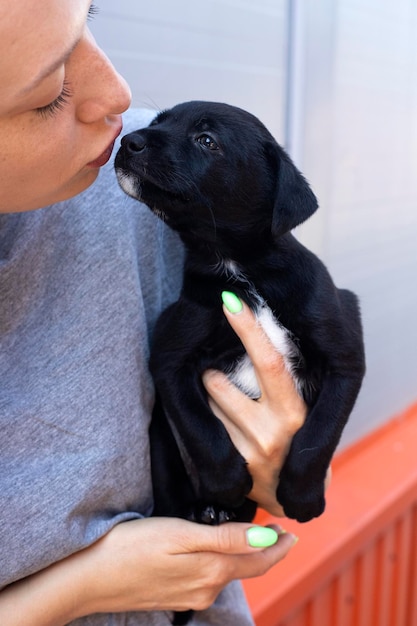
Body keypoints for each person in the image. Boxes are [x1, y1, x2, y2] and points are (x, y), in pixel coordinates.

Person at [0, 1, 324, 624]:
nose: (117, 94)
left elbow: (298, 346)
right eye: (47, 93)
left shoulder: (133, 169)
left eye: (89, 19)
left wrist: (278, 459)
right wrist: (81, 588)